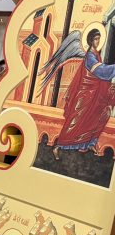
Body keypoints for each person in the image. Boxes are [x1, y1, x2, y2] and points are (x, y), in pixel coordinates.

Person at [48, 28, 115, 159]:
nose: (98, 41)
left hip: (94, 95)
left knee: (97, 117)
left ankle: (87, 144)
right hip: (85, 95)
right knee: (74, 123)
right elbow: (100, 72)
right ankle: (58, 146)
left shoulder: (96, 55)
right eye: (95, 39)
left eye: (99, 39)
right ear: (90, 40)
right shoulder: (90, 56)